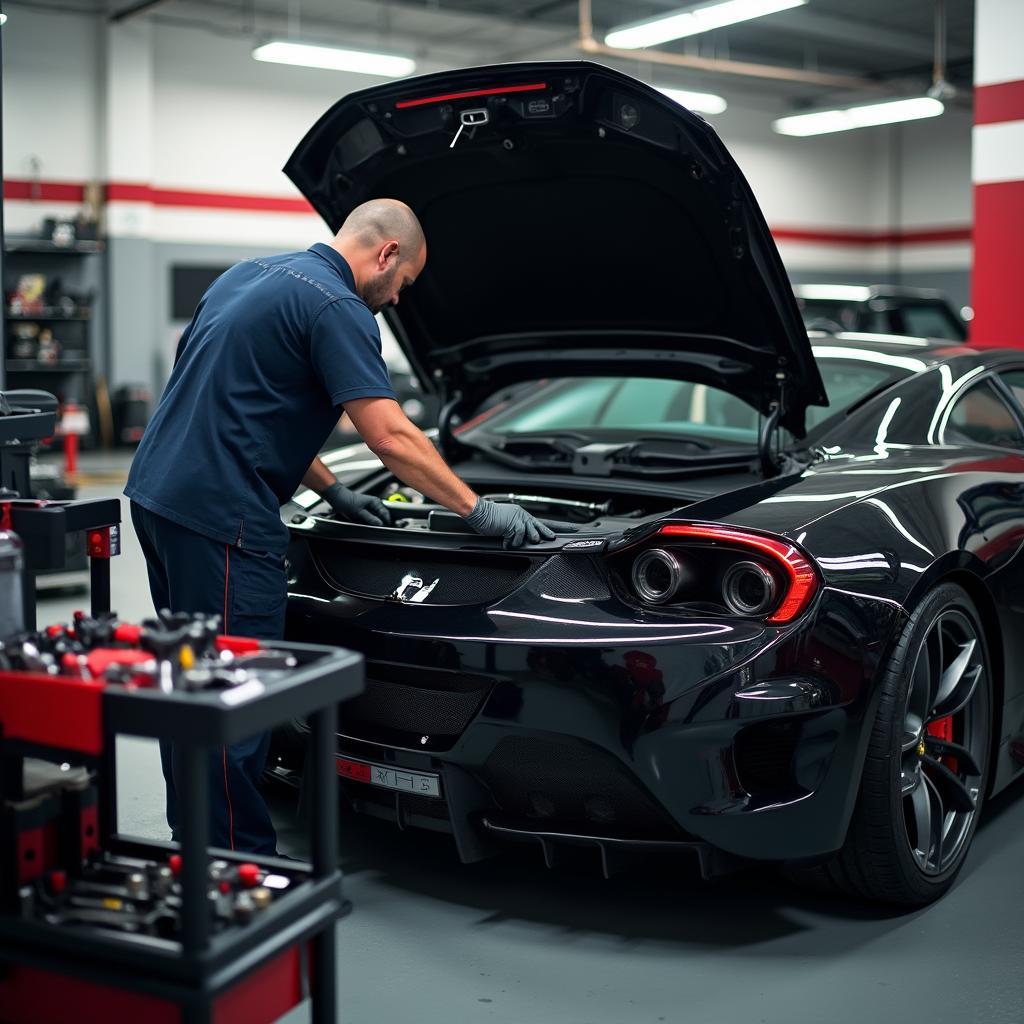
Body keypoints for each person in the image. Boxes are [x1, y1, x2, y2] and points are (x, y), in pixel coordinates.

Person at [125, 199, 568, 854]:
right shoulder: (339, 308)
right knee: (231, 698)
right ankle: (234, 871)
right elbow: (389, 435)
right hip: (222, 519)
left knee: (189, 684)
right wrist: (478, 510)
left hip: (158, 500)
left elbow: (250, 406)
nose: (395, 300)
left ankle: (194, 843)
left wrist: (333, 491)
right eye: (404, 284)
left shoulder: (249, 276)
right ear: (387, 254)